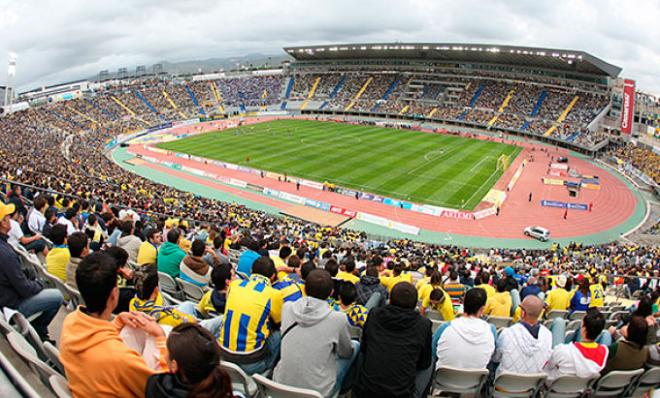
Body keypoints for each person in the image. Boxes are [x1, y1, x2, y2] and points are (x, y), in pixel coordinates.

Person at [59, 251, 167, 397]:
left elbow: (95, 339)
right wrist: (160, 338)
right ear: (114, 294)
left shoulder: (70, 321)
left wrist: (118, 321)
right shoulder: (120, 359)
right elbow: (160, 391)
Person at [274, 270, 358, 397]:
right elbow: (345, 352)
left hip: (280, 385)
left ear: (305, 289)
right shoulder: (338, 319)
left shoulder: (287, 307)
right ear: (331, 292)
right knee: (355, 346)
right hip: (318, 392)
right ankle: (345, 391)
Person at [354, 282, 432, 398]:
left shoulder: (374, 314)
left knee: (360, 348)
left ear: (389, 300)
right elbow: (424, 363)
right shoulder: (424, 325)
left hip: (367, 391)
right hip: (402, 394)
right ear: (415, 305)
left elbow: (364, 348)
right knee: (431, 362)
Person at [0, 201, 63, 341]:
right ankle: (39, 332)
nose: (10, 219)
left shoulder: (4, 247)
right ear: (3, 223)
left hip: (7, 297)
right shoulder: (5, 253)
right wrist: (39, 286)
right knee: (57, 296)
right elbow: (24, 288)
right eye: (7, 217)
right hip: (12, 306)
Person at [219, 256, 283, 375]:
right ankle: (268, 369)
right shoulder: (274, 294)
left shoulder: (234, 285)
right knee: (279, 335)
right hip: (251, 362)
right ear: (273, 276)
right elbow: (279, 322)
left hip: (223, 353)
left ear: (251, 272)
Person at [145, 323, 237, 398]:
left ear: (174, 365)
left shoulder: (156, 386)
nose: (165, 355)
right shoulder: (219, 388)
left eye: (167, 351)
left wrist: (160, 337)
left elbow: (166, 377)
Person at [434, 288, 495, 370]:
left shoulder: (446, 327)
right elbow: (493, 357)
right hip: (475, 381)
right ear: (482, 309)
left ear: (463, 303)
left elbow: (432, 352)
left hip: (441, 380)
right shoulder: (491, 331)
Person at [544, 308, 608, 383]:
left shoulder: (563, 350)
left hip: (554, 387)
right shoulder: (604, 352)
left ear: (583, 329)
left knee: (559, 321)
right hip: (580, 390)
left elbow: (548, 366)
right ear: (600, 332)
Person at [492, 295, 552, 375]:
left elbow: (496, 358)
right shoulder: (548, 335)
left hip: (504, 385)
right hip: (532, 385)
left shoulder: (508, 333)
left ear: (523, 313)